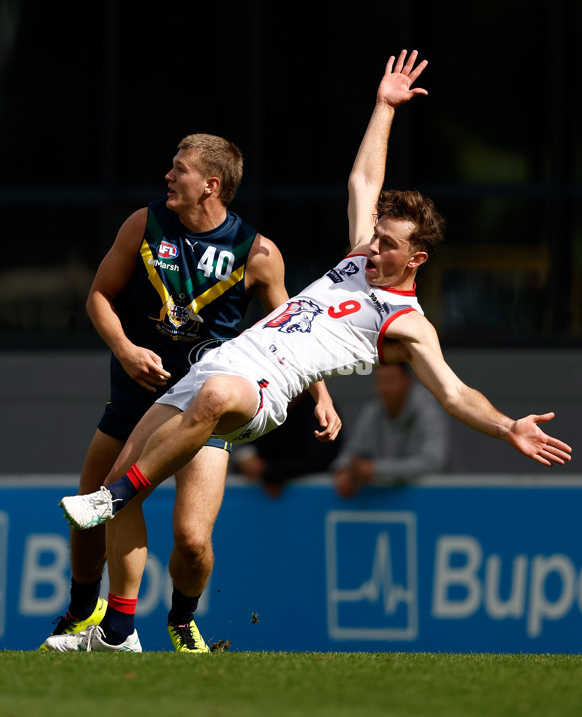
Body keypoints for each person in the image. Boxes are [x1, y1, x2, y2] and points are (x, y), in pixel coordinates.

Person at [45, 50, 572, 653]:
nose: (374, 247)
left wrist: (508, 427)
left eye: (389, 244)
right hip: (216, 364)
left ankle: (122, 517)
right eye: (375, 235)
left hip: (260, 391)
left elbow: (452, 393)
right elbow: (363, 181)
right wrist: (383, 107)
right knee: (137, 480)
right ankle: (116, 634)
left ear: (417, 259)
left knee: (170, 448)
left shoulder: (408, 322)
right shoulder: (357, 256)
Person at [40, 132, 340, 653]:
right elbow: (98, 297)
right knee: (97, 500)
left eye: (179, 169)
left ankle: (181, 620)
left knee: (193, 541)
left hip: (206, 405)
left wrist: (322, 396)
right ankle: (89, 611)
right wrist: (128, 350)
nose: (168, 177)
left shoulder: (259, 253)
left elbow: (292, 331)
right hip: (135, 396)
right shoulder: (145, 224)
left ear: (211, 185)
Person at [333, 363, 450, 497]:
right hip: (382, 504)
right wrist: (343, 470)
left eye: (391, 380)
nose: (385, 388)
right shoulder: (372, 412)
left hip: (433, 500)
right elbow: (353, 450)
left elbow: (433, 462)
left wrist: (375, 470)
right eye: (380, 381)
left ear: (407, 381)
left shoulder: (429, 412)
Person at [233, 389, 342, 498]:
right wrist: (245, 459)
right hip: (265, 500)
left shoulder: (320, 409)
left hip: (314, 498)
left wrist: (270, 472)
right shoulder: (268, 404)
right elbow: (248, 445)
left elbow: (319, 458)